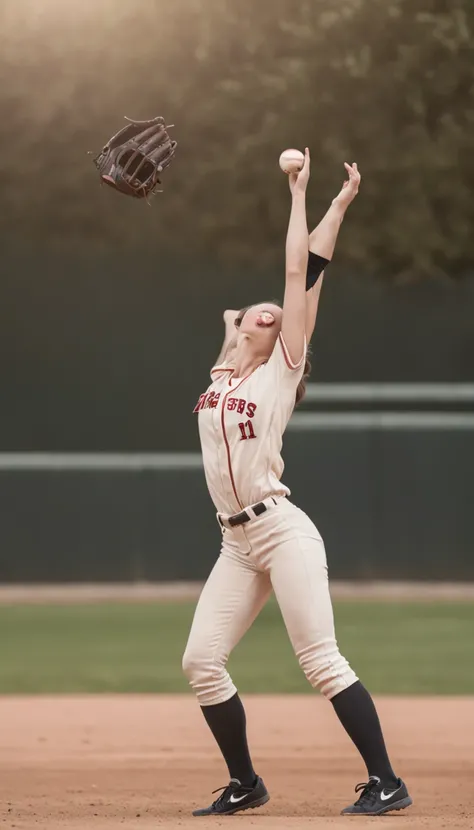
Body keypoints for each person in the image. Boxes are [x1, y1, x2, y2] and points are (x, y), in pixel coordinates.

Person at [184, 150, 412, 817]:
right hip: (234, 545)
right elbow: (288, 282)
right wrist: (230, 332)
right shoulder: (223, 374)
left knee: (320, 660)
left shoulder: (280, 369)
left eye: (276, 313)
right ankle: (245, 783)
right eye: (259, 312)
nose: (268, 312)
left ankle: (386, 782)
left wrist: (310, 198)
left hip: (280, 532)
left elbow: (301, 272)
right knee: (201, 661)